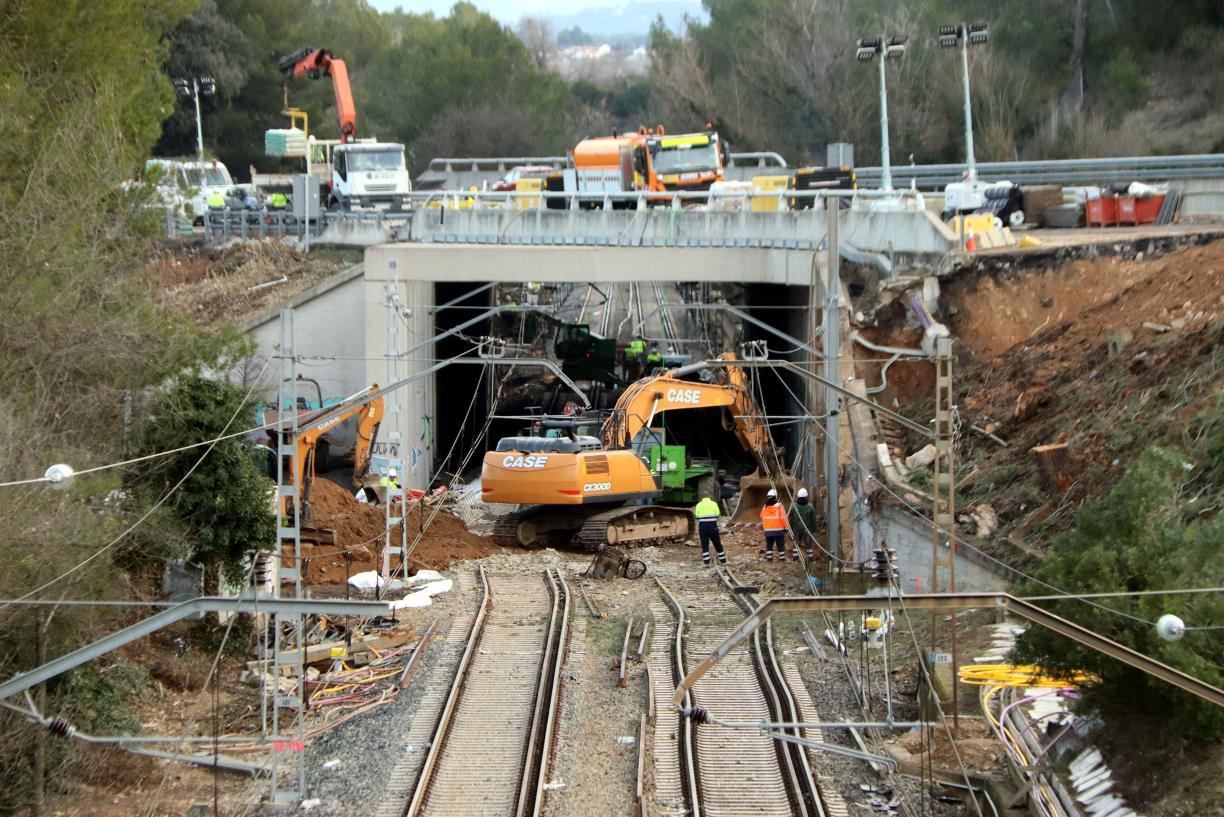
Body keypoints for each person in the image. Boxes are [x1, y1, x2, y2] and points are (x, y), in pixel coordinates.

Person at [693, 495, 727, 567]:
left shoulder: (699, 505)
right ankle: (723, 561)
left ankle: (706, 563)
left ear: (702, 498)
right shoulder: (714, 504)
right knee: (717, 543)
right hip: (712, 526)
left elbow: (697, 516)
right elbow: (717, 514)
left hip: (702, 526)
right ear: (709, 498)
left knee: (704, 544)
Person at [787, 487, 819, 562]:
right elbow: (813, 520)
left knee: (796, 543)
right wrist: (814, 530)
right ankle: (810, 559)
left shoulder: (794, 506)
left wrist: (791, 529)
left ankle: (795, 558)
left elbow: (790, 519)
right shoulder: (810, 507)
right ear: (806, 496)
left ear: (798, 496)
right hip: (807, 529)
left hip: (796, 529)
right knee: (809, 545)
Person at [759, 488, 788, 562]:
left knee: (769, 546)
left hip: (768, 531)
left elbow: (761, 516)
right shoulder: (779, 506)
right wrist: (786, 528)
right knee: (781, 545)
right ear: (776, 496)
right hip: (779, 531)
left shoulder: (764, 507)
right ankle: (782, 559)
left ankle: (769, 559)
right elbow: (784, 518)